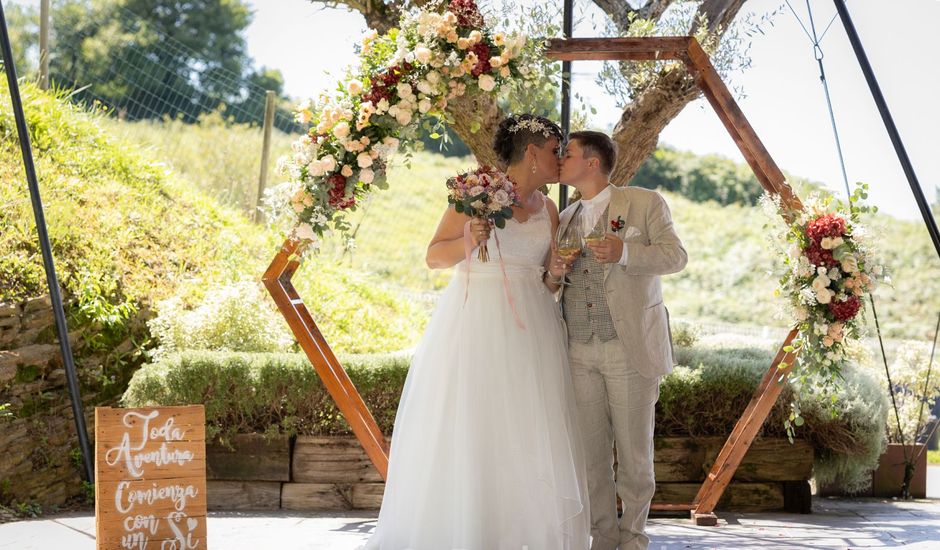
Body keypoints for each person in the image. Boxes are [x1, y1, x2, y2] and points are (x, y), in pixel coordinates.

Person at [361, 114, 590, 550]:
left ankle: (520, 534)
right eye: (553, 150)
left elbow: (546, 279)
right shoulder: (476, 194)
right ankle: (470, 531)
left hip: (535, 328)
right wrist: (468, 234)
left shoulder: (550, 209)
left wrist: (556, 273)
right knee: (477, 424)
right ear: (530, 153)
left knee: (527, 428)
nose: (559, 158)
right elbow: (433, 257)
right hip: (478, 322)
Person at [551, 131, 687, 550]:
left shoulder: (645, 203)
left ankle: (634, 539)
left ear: (592, 163)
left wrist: (625, 253)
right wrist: (556, 269)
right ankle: (603, 539)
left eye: (567, 153)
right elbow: (557, 281)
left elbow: (675, 256)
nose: (560, 159)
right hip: (578, 349)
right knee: (592, 457)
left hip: (629, 347)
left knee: (633, 457)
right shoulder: (568, 214)